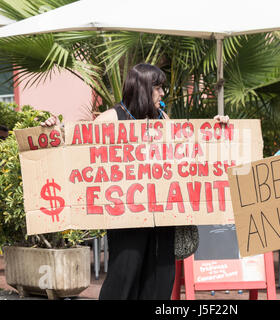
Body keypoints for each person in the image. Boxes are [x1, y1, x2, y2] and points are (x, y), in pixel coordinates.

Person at [41, 63, 229, 300]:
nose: (162, 94)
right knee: (123, 279)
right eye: (158, 88)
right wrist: (53, 133)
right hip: (125, 221)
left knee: (159, 284)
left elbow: (189, 155)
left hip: (162, 222)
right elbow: (80, 156)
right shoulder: (111, 118)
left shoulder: (163, 119)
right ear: (142, 88)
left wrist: (216, 130)